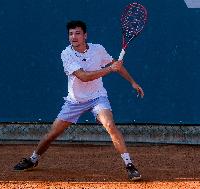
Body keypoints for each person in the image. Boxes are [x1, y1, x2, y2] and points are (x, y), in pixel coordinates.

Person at [13, 20, 144, 181]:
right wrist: (110, 69)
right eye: (70, 34)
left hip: (97, 97)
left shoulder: (98, 49)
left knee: (110, 125)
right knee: (52, 134)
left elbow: (116, 65)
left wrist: (132, 81)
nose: (73, 37)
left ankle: (129, 165)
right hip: (74, 101)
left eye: (77, 33)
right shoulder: (66, 54)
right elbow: (84, 77)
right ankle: (33, 159)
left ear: (85, 35)